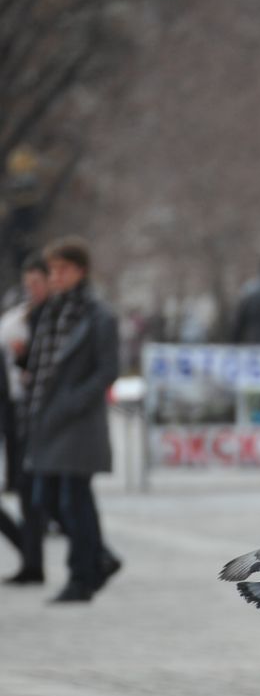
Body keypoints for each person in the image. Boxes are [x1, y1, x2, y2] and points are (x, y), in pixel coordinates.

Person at [20, 238, 122, 603]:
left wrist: (71, 402)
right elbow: (43, 361)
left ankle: (82, 575)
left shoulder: (98, 315)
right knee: (46, 496)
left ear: (80, 271)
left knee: (72, 497)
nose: (56, 276)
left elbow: (108, 369)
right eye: (53, 270)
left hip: (77, 422)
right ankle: (99, 559)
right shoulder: (48, 311)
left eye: (62, 269)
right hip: (45, 417)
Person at [0, 255, 49, 583]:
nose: (31, 290)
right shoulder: (21, 316)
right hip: (17, 411)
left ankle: (33, 558)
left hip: (33, 415)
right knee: (29, 489)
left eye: (36, 283)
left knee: (40, 491)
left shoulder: (50, 316)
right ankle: (30, 555)